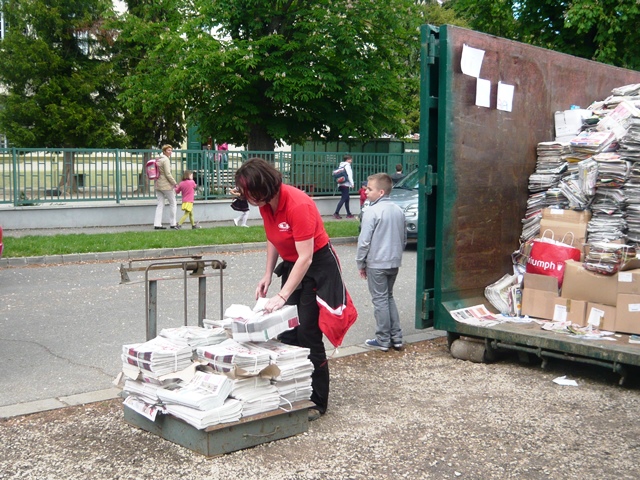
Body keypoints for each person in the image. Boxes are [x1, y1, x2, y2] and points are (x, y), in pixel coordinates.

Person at [235, 158, 357, 421]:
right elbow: (273, 238)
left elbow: (306, 257)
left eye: (249, 192)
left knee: (308, 332)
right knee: (287, 329)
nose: (247, 198)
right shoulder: (265, 205)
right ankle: (293, 389)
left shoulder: (298, 204)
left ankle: (317, 400)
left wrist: (282, 295)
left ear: (263, 187)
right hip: (293, 264)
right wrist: (268, 274)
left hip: (316, 264)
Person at [356, 173, 407, 352]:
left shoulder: (372, 211)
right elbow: (404, 237)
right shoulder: (398, 210)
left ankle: (383, 339)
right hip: (394, 261)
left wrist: (360, 263)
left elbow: (364, 241)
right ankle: (397, 337)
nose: (366, 191)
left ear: (381, 192)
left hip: (377, 262)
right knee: (388, 297)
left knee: (380, 300)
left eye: (370, 189)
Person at [153, 144, 179, 230]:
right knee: (173, 202)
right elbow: (168, 174)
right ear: (164, 151)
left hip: (158, 184)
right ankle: (173, 223)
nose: (170, 152)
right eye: (168, 150)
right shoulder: (166, 160)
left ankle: (157, 224)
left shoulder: (158, 159)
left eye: (171, 150)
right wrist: (175, 183)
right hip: (166, 185)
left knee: (160, 204)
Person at [333, 154, 354, 219]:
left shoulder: (341, 165)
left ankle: (348, 213)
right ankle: (336, 213)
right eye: (350, 159)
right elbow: (349, 175)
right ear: (348, 160)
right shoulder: (347, 166)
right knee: (344, 199)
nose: (351, 160)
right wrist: (352, 183)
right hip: (345, 184)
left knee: (347, 199)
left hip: (340, 184)